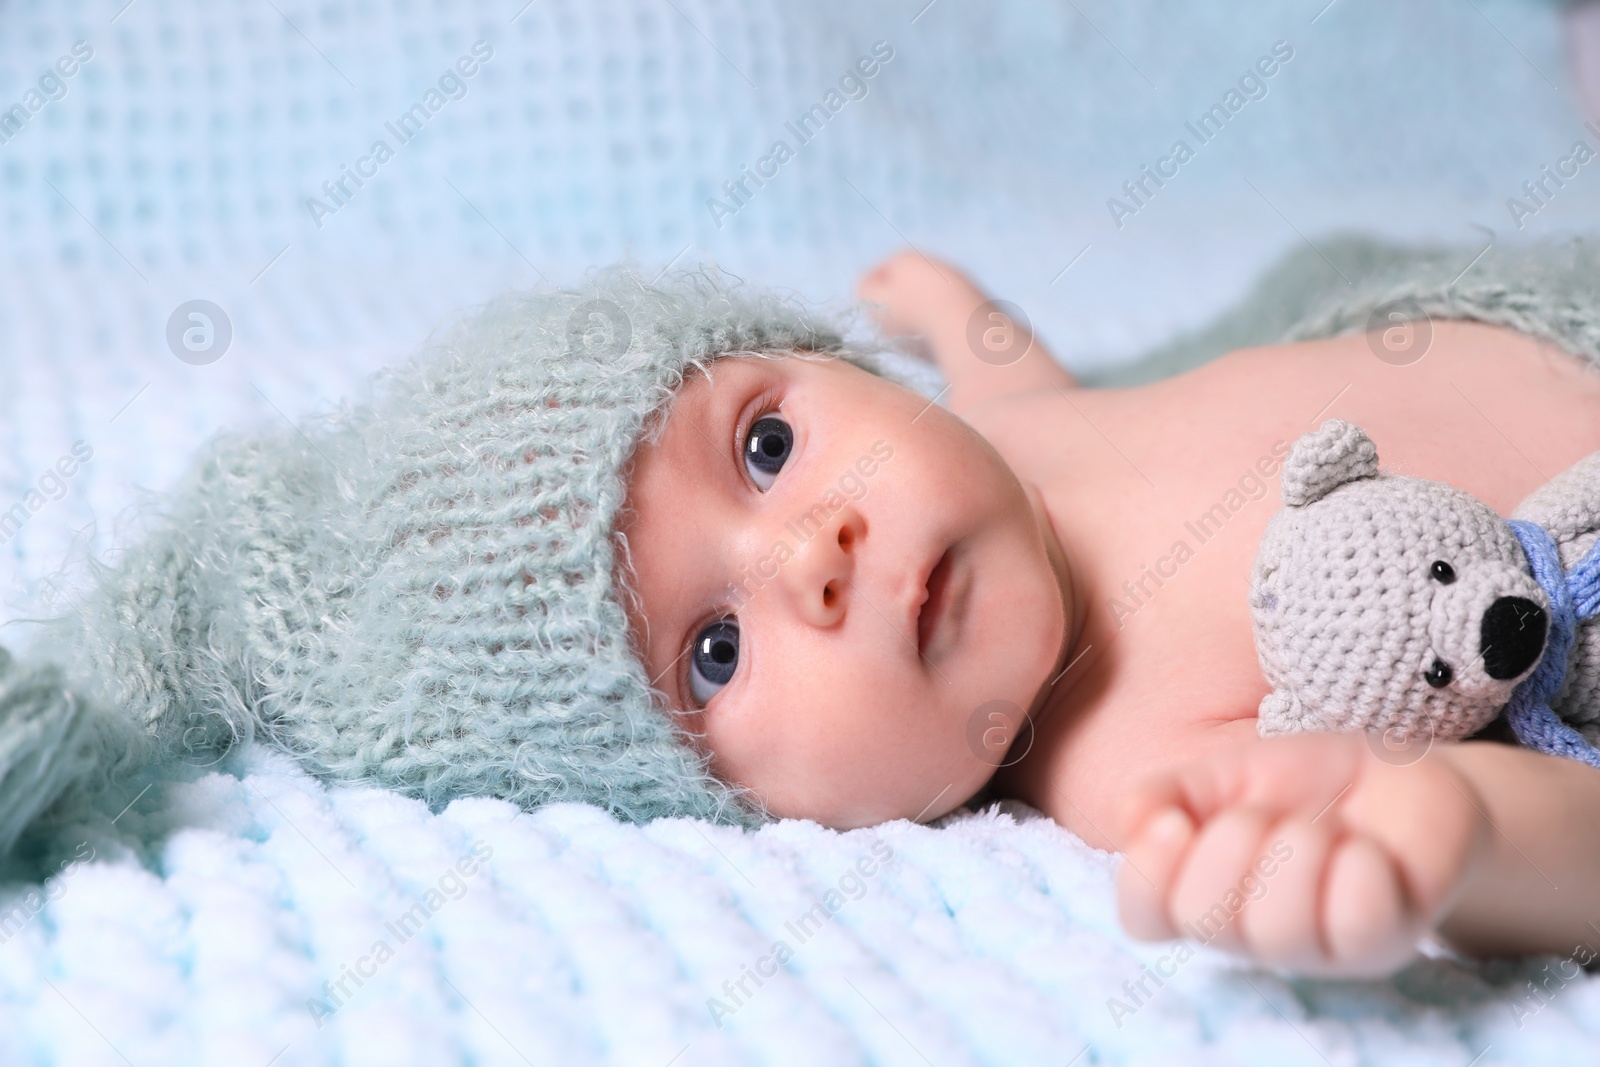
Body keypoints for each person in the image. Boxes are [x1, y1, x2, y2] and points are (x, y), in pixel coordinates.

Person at [619, 249, 1600, 977]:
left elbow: (1018, 385)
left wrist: (960, 317)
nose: (809, 555)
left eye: (767, 444)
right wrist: (1462, 829)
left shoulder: (999, 439)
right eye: (716, 650)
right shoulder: (1128, 761)